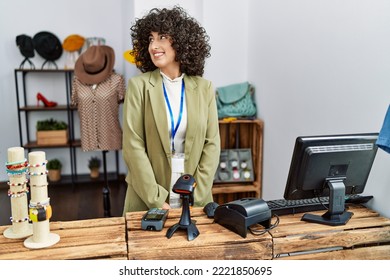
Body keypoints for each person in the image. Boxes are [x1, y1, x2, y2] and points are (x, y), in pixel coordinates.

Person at [122, 6, 220, 213]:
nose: (153, 46)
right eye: (150, 39)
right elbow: (133, 147)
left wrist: (197, 195)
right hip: (148, 196)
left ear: (182, 42)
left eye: (162, 37)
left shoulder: (205, 88)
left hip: (194, 196)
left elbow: (212, 145)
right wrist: (157, 200)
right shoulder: (138, 86)